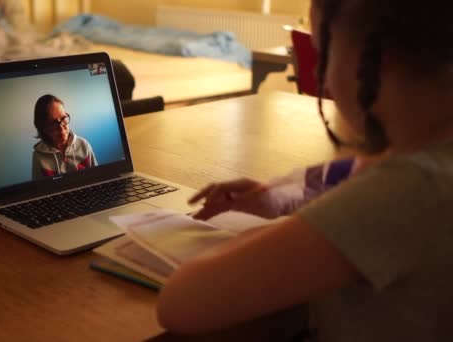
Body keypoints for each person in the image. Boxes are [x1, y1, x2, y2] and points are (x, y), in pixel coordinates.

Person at [157, 0, 453, 340]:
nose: (323, 80)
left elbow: (181, 303)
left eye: (322, 54)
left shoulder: (408, 190)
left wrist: (282, 233)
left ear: (375, 61)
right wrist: (284, 199)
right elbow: (359, 179)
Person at [32, 95, 97, 179]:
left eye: (63, 118)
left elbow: (97, 176)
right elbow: (39, 189)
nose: (61, 129)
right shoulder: (38, 156)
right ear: (43, 128)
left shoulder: (84, 145)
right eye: (53, 123)